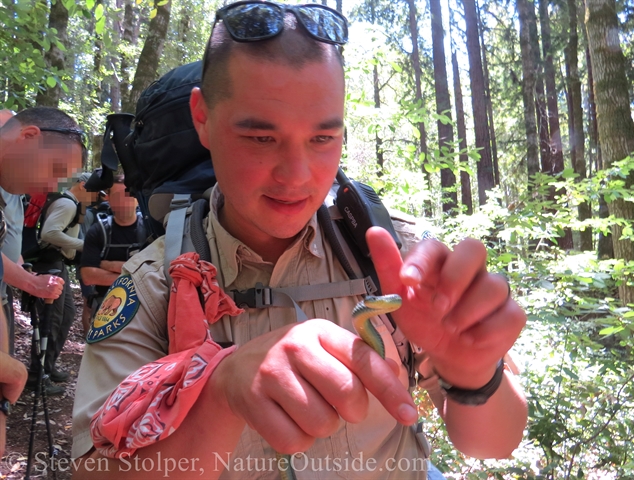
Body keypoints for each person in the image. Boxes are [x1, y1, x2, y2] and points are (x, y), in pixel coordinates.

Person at [72, 3, 528, 479]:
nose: (296, 176)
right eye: (261, 139)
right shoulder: (156, 284)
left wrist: (473, 376)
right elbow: (92, 472)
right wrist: (220, 394)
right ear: (202, 117)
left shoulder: (393, 254)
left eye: (322, 139)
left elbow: (494, 444)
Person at [0, 106, 85, 457]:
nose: (53, 186)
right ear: (29, 136)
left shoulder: (12, 190)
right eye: (55, 170)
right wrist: (15, 373)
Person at [0, 109, 65, 356]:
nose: (51, 185)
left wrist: (21, 267)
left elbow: (9, 234)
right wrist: (32, 283)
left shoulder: (13, 186)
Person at [26, 171, 96, 395]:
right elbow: (49, 234)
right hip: (48, 265)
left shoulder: (71, 203)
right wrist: (82, 245)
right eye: (93, 189)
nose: (95, 196)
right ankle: (38, 376)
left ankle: (48, 366)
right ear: (82, 185)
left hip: (58, 263)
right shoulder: (67, 204)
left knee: (65, 314)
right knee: (51, 320)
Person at [80, 175, 144, 323]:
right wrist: (136, 277)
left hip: (145, 307)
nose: (123, 201)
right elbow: (89, 276)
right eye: (117, 196)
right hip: (107, 306)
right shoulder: (99, 231)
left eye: (128, 195)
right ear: (108, 198)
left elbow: (159, 270)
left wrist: (110, 265)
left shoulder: (149, 229)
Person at [78, 187, 111, 335]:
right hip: (88, 260)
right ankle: (88, 336)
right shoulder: (88, 214)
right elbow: (83, 236)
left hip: (96, 261)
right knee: (89, 301)